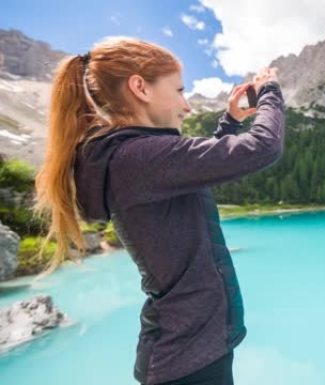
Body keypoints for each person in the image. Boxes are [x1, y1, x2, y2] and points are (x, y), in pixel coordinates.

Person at [31, 36, 285, 385]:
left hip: (189, 351)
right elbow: (262, 148)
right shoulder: (136, 158)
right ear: (140, 88)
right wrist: (270, 91)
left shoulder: (133, 158)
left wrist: (229, 122)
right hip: (187, 360)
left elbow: (190, 170)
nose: (187, 106)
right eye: (179, 90)